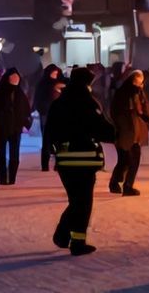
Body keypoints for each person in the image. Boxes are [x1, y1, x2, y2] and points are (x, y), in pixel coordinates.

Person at [46, 67, 116, 255]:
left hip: (64, 160)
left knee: (76, 201)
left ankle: (62, 235)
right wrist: (115, 134)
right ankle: (77, 242)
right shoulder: (88, 103)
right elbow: (101, 128)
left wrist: (51, 151)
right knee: (83, 203)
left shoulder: (59, 103)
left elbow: (49, 130)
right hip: (84, 159)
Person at [109, 70, 149, 196]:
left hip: (130, 131)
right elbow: (141, 110)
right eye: (139, 81)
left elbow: (143, 110)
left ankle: (117, 183)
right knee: (131, 160)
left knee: (126, 159)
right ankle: (125, 185)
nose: (141, 84)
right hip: (129, 131)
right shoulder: (132, 92)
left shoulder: (126, 92)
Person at [0, 67, 32, 185]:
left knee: (14, 156)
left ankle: (12, 178)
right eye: (13, 78)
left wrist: (26, 124)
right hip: (1, 128)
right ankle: (2, 178)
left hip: (16, 128)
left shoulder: (20, 94)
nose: (15, 80)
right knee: (1, 154)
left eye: (17, 78)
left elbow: (26, 111)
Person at [34, 64, 66, 171]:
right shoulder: (43, 84)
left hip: (60, 115)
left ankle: (59, 163)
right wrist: (43, 110)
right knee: (46, 140)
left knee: (59, 140)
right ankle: (45, 165)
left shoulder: (62, 83)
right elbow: (38, 99)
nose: (55, 75)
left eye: (56, 73)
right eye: (53, 73)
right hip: (46, 115)